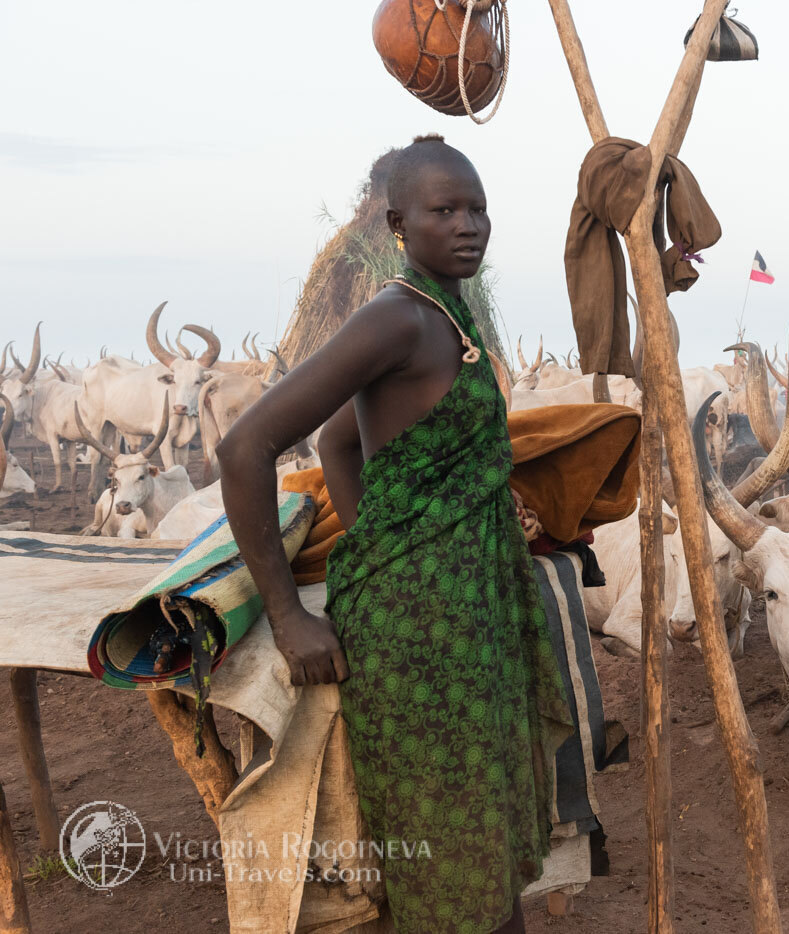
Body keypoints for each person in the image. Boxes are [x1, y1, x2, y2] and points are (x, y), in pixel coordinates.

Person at [218, 134, 572, 934]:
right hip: (416, 636)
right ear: (398, 224)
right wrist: (289, 615)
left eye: (477, 208)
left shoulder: (452, 317)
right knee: (451, 845)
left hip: (464, 617)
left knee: (480, 827)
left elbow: (342, 440)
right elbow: (245, 447)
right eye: (444, 210)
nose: (468, 225)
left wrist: (379, 532)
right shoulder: (397, 320)